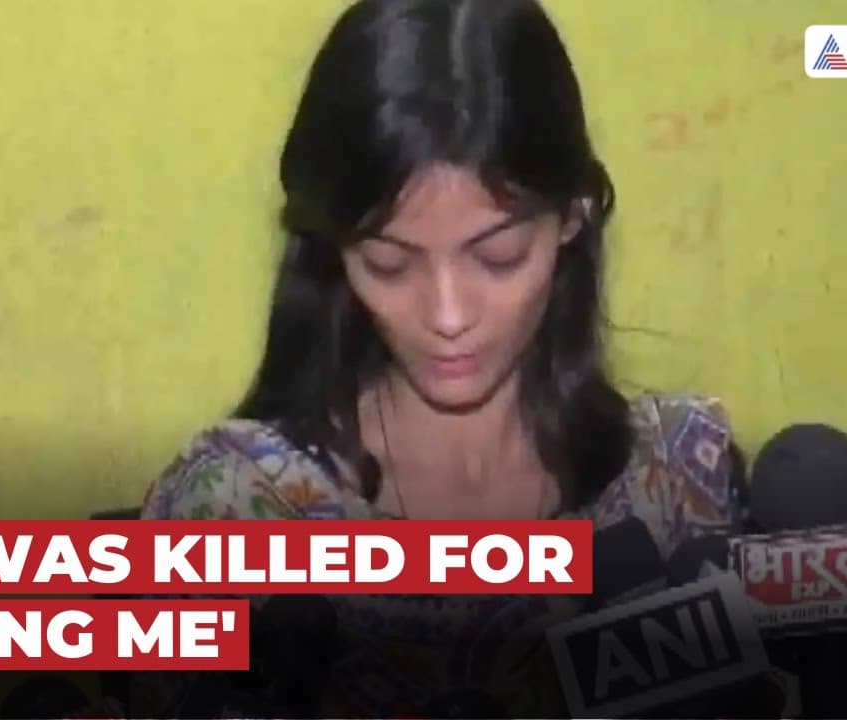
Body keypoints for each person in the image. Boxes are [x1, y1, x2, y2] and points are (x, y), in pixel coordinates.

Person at [135, 0, 742, 716]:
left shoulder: (676, 487)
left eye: (498, 255)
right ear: (334, 248)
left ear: (573, 218)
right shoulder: (234, 510)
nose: (448, 316)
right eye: (389, 263)